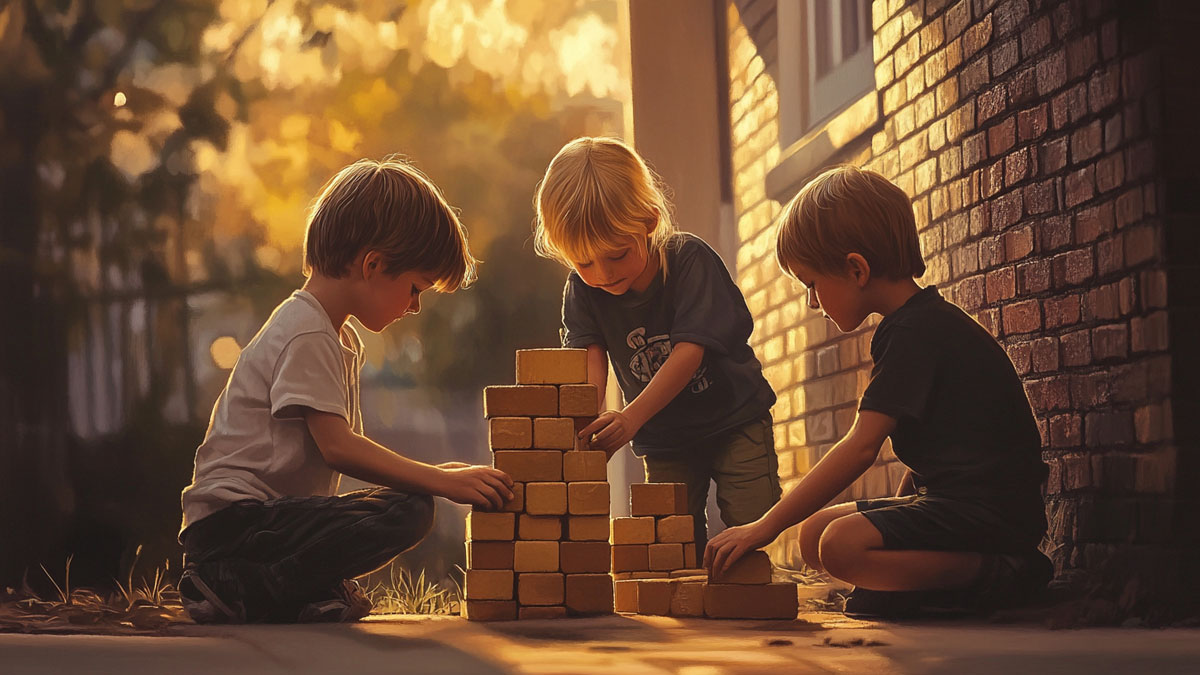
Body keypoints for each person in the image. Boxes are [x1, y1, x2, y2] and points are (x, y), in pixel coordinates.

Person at [704, 165, 1052, 618]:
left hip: (992, 514)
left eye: (812, 284)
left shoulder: (916, 330)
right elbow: (937, 453)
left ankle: (1000, 574)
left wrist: (764, 527)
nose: (812, 303)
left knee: (839, 546)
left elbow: (862, 446)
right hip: (959, 504)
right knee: (814, 535)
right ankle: (921, 585)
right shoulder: (911, 324)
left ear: (856, 269)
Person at [177, 157, 513, 624]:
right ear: (373, 265)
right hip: (235, 529)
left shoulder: (333, 335)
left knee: (403, 503)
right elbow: (338, 449)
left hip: (267, 525)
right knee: (408, 512)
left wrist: (437, 476)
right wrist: (441, 480)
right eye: (415, 289)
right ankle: (239, 584)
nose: (415, 307)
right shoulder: (308, 331)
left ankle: (284, 589)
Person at [533, 136, 780, 555]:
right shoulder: (582, 290)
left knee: (750, 525)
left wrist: (628, 420)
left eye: (616, 254)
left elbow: (689, 353)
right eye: (584, 262)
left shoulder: (689, 261)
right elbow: (589, 365)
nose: (603, 274)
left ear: (648, 221)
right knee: (671, 541)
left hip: (734, 419)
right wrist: (586, 429)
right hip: (666, 438)